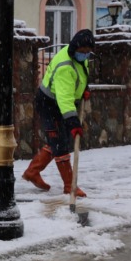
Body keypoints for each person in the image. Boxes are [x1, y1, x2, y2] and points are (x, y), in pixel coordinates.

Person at [22, 29, 95, 198]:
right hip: (49, 103)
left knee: (58, 140)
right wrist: (74, 122)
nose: (85, 55)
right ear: (75, 48)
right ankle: (70, 186)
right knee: (60, 144)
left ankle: (32, 172)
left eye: (87, 52)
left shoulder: (78, 57)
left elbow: (81, 74)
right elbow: (64, 98)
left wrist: (84, 89)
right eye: (82, 52)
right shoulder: (65, 66)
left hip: (58, 102)